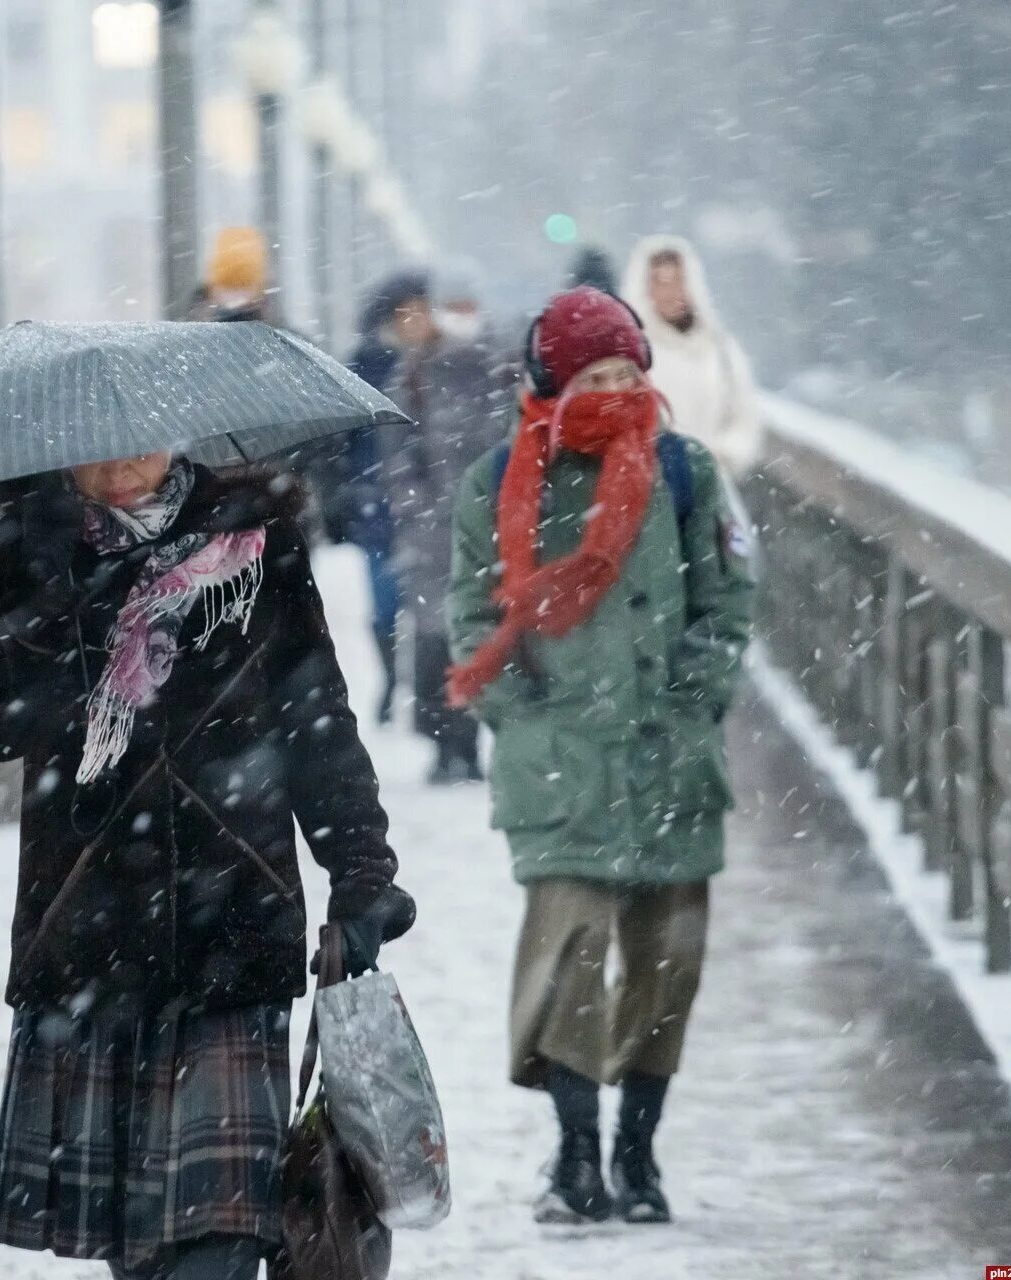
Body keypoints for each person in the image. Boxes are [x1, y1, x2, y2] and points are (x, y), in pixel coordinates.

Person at [0, 452, 415, 1280]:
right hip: (94, 939)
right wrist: (60, 591)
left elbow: (315, 718)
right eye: (102, 445)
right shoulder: (22, 552)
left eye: (151, 438)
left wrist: (362, 872)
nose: (129, 459)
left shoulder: (253, 541)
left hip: (236, 927)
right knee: (139, 1248)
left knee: (223, 1238)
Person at [445, 288, 753, 1226]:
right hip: (561, 765)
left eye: (628, 374)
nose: (617, 392)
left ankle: (638, 1152)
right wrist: (530, 718)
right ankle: (577, 1153)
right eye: (594, 377)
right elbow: (471, 621)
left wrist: (691, 697)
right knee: (567, 962)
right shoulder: (498, 483)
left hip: (670, 758)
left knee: (667, 966)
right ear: (551, 382)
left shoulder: (688, 471)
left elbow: (730, 604)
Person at [386, 268, 518, 782]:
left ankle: (471, 741)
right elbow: (398, 460)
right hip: (433, 538)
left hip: (491, 532)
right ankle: (444, 744)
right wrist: (425, 513)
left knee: (483, 638)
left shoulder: (502, 369)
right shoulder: (413, 376)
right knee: (435, 641)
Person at [334, 270, 431, 724]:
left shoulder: (437, 365)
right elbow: (344, 438)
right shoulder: (367, 363)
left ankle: (424, 685)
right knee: (384, 605)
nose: (415, 320)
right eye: (406, 311)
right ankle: (392, 678)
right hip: (378, 505)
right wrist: (353, 488)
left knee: (430, 608)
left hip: (426, 505)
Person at [623, 234, 763, 477]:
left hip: (710, 483)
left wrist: (722, 456)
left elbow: (743, 416)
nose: (669, 292)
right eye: (659, 282)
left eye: (677, 280)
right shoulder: (629, 351)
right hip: (650, 487)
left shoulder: (721, 350)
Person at [202, 226, 276, 324]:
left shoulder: (276, 334)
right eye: (227, 285)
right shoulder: (190, 332)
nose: (235, 297)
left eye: (243, 284)